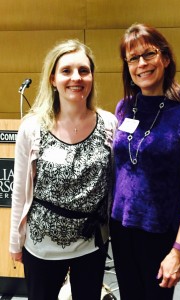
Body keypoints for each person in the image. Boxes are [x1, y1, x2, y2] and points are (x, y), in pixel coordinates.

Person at [110, 23, 180, 300]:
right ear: (127, 67)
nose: (141, 64)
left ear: (165, 58)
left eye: (149, 54)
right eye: (133, 58)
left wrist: (178, 251)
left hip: (160, 233)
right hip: (121, 228)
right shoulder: (125, 107)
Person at [9, 39, 117, 300]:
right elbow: (20, 190)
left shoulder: (109, 123)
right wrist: (15, 240)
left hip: (91, 244)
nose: (76, 78)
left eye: (83, 70)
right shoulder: (33, 127)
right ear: (52, 79)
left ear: (91, 77)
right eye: (66, 71)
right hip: (42, 246)